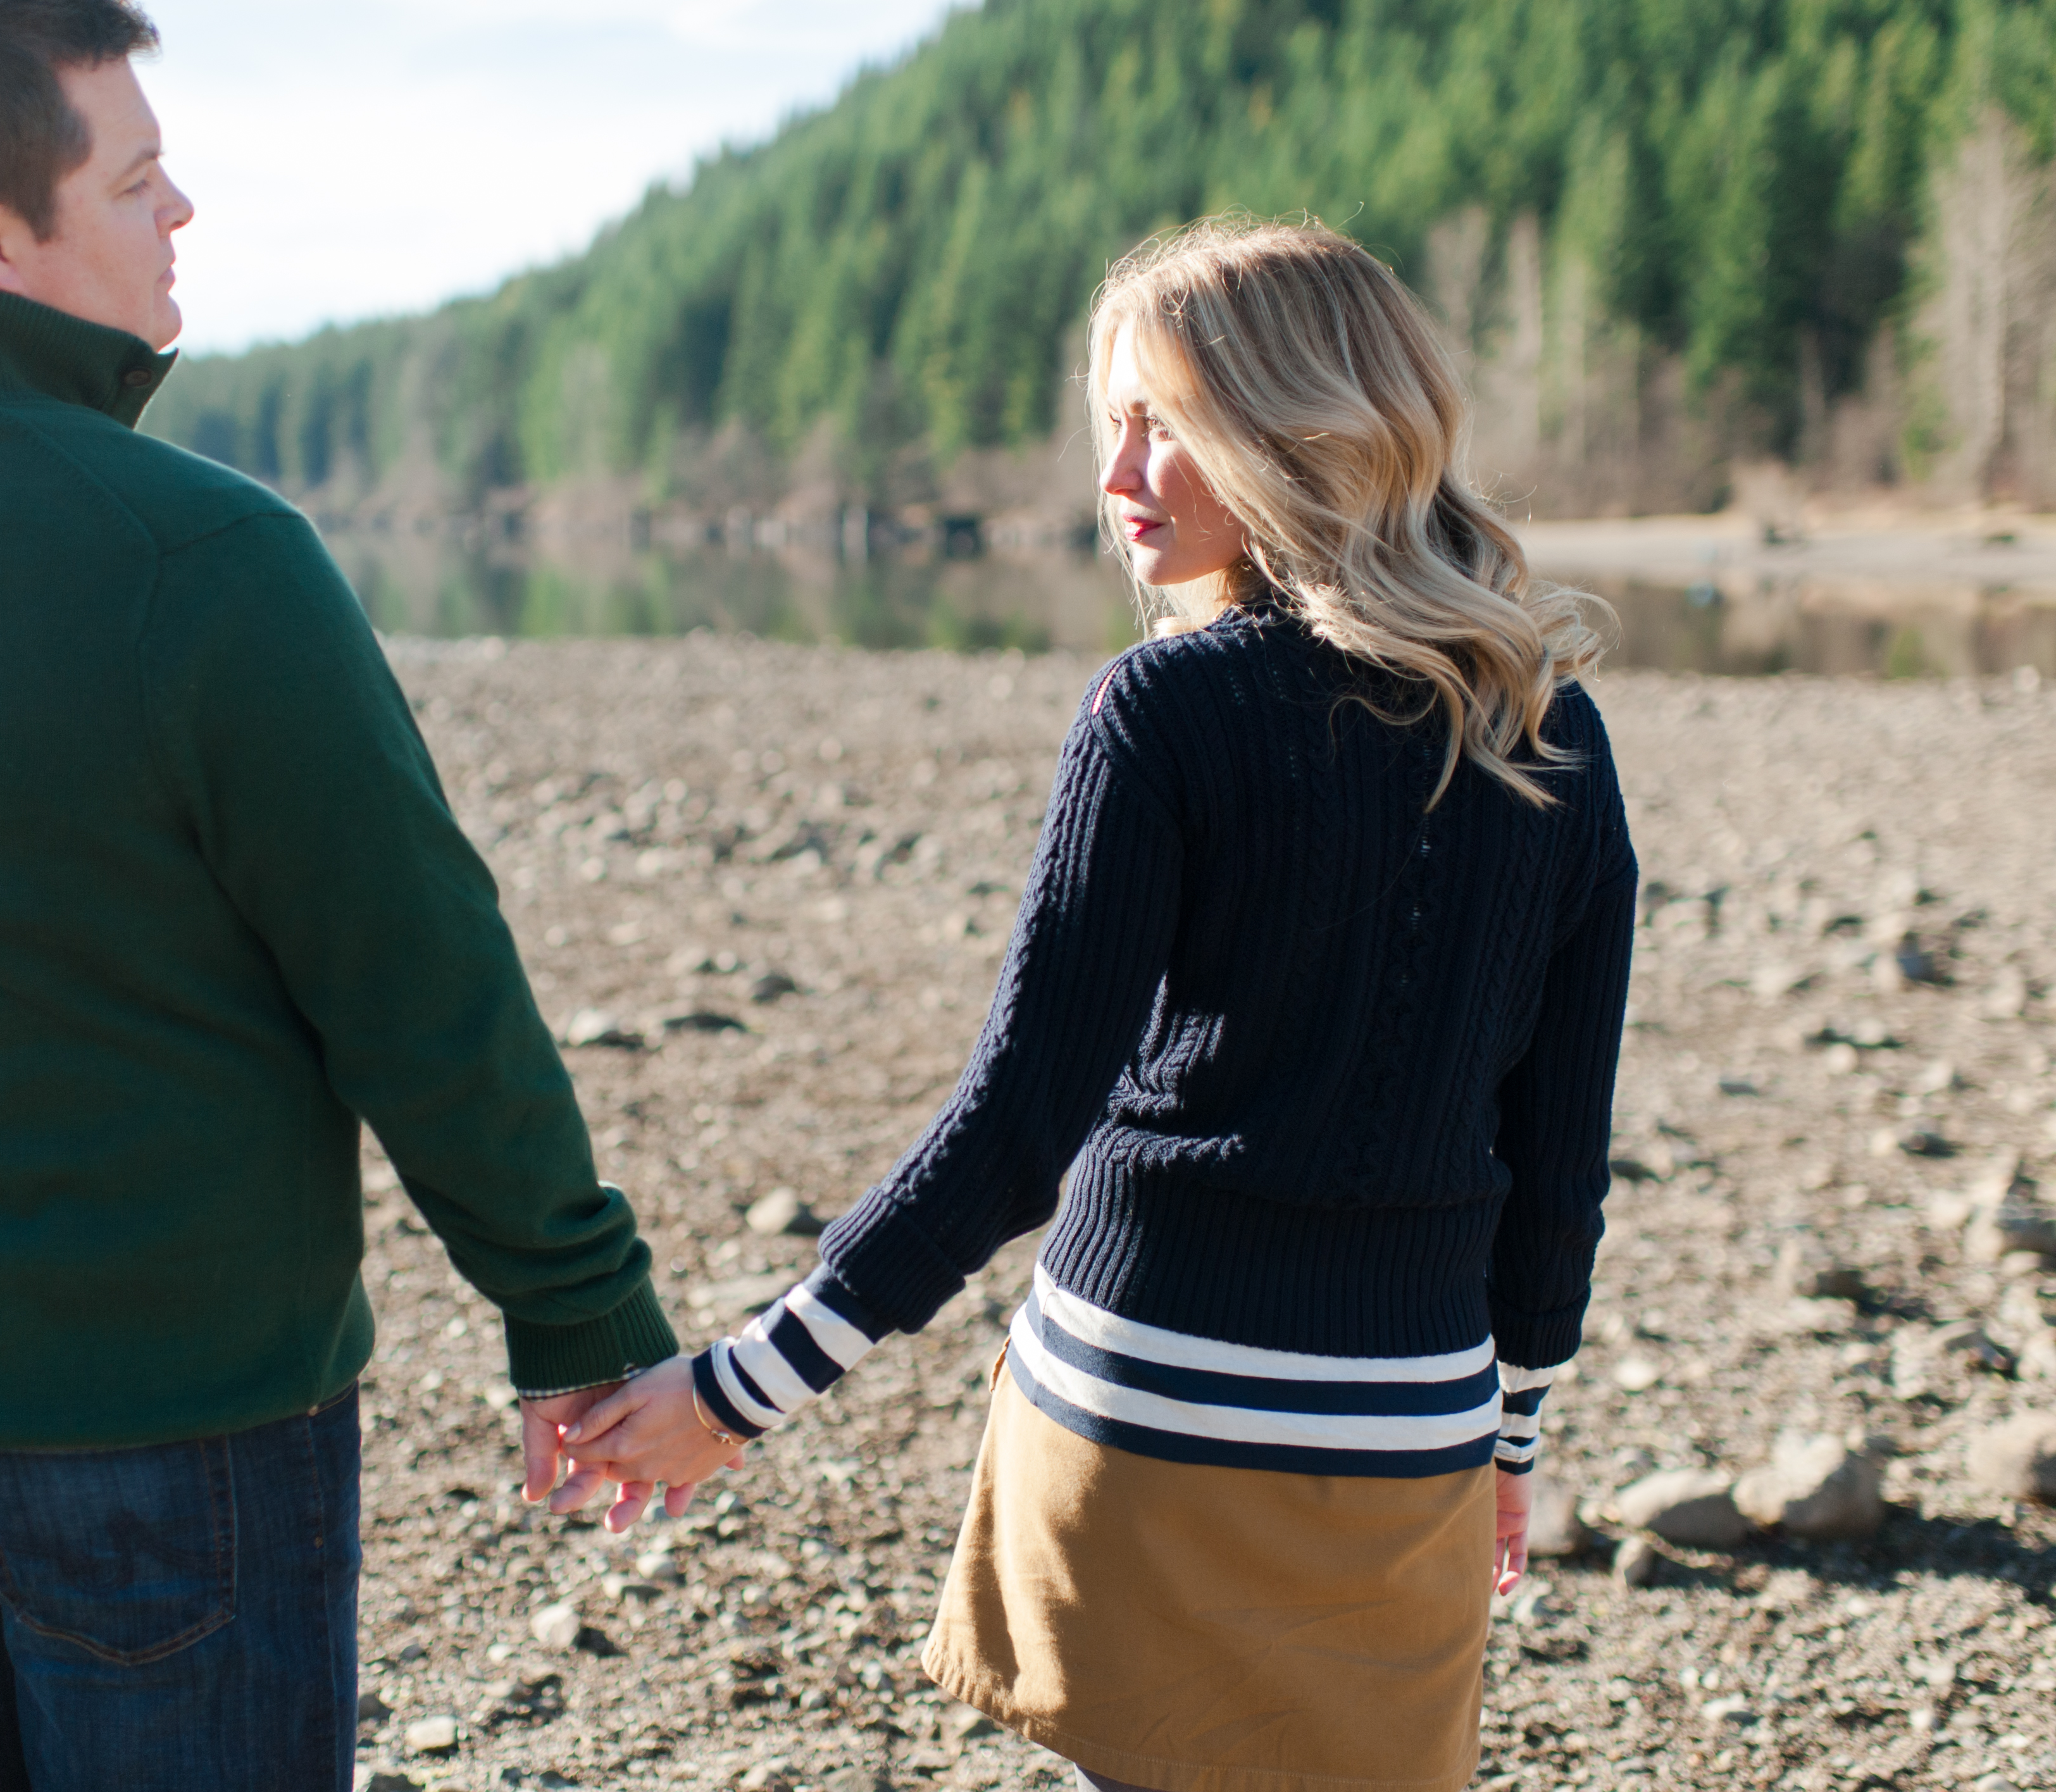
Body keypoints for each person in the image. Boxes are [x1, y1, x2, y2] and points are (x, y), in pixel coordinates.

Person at [0, 3, 687, 1786]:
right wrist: (576, 1314)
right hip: (143, 1431)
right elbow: (419, 986)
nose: (182, 217)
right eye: (140, 180)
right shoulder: (199, 557)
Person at [563, 216, 1636, 1792]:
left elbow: (1019, 1127)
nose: (1121, 478)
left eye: (1169, 427)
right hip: (1407, 1424)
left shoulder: (1166, 709)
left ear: (1294, 432)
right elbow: (1559, 1163)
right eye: (1112, 426)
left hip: (1147, 1421)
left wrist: (741, 1390)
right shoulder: (1554, 730)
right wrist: (1509, 1439)